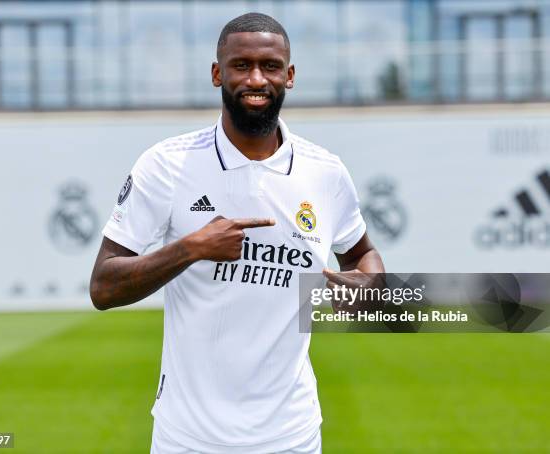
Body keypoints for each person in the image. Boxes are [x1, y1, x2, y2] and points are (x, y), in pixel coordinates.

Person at [90, 12, 384, 454]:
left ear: (289, 76)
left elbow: (364, 256)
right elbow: (103, 286)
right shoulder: (167, 164)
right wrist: (190, 249)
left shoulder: (325, 172)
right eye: (241, 65)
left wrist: (368, 285)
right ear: (216, 74)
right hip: (186, 437)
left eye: (269, 66)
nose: (256, 79)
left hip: (292, 435)